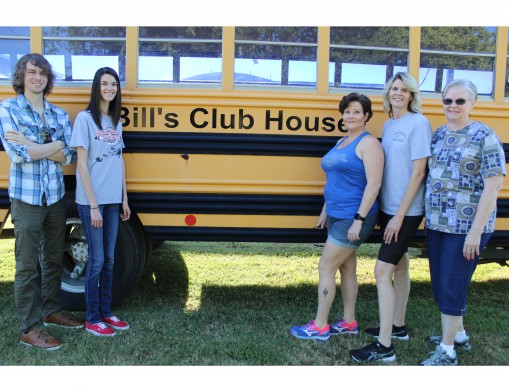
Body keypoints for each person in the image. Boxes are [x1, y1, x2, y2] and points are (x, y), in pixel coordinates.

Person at [0, 53, 84, 351]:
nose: (38, 77)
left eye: (43, 73)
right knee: (26, 266)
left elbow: (69, 156)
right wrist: (56, 144)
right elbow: (18, 154)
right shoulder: (8, 108)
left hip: (55, 196)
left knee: (52, 258)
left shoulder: (59, 113)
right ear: (21, 77)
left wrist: (38, 145)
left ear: (48, 79)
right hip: (27, 198)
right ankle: (28, 328)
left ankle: (51, 312)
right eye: (32, 72)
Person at [419, 79, 505, 366]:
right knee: (442, 284)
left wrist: (475, 233)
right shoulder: (440, 134)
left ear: (472, 103)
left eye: (460, 101)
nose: (452, 106)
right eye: (448, 101)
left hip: (466, 228)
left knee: (452, 285)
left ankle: (447, 352)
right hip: (437, 224)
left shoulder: (484, 136)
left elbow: (493, 185)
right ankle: (458, 335)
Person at [349, 72, 433, 363]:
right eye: (394, 88)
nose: (398, 93)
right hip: (388, 207)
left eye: (404, 89)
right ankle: (397, 327)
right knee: (400, 264)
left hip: (406, 211)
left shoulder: (419, 123)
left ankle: (384, 347)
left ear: (411, 95)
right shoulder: (389, 122)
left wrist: (399, 217)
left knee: (382, 272)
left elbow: (419, 173)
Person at [290, 93, 384, 340]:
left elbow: (374, 184)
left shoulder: (369, 144)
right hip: (336, 214)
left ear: (366, 116)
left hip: (353, 218)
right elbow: (335, 180)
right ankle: (350, 322)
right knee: (346, 268)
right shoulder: (343, 141)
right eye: (347, 111)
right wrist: (324, 210)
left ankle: (320, 326)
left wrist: (359, 219)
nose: (350, 116)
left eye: (356, 111)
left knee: (325, 267)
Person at [70, 67, 131, 337]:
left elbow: (120, 160)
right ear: (97, 87)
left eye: (114, 84)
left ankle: (107, 312)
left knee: (109, 259)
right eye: (105, 84)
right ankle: (92, 318)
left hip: (112, 199)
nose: (109, 88)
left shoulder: (116, 120)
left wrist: (124, 199)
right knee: (96, 260)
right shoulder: (85, 119)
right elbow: (81, 165)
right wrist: (93, 205)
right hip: (91, 201)